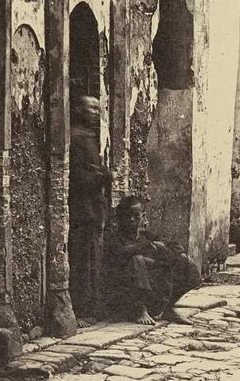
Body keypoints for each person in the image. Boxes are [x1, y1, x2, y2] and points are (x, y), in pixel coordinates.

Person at [102, 195, 202, 325]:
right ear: (119, 217)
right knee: (136, 260)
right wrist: (145, 250)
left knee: (183, 260)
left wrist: (158, 255)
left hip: (153, 288)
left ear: (143, 216)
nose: (131, 219)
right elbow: (119, 254)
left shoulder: (147, 236)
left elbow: (177, 247)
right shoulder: (114, 238)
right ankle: (139, 310)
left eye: (136, 215)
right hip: (124, 294)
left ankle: (168, 307)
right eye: (127, 216)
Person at [68, 96, 110, 326]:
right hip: (82, 209)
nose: (95, 111)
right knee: (82, 260)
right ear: (77, 108)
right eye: (90, 107)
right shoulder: (77, 138)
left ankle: (89, 306)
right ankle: (80, 309)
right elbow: (79, 176)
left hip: (92, 210)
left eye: (97, 107)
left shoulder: (88, 137)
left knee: (91, 259)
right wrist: (102, 175)